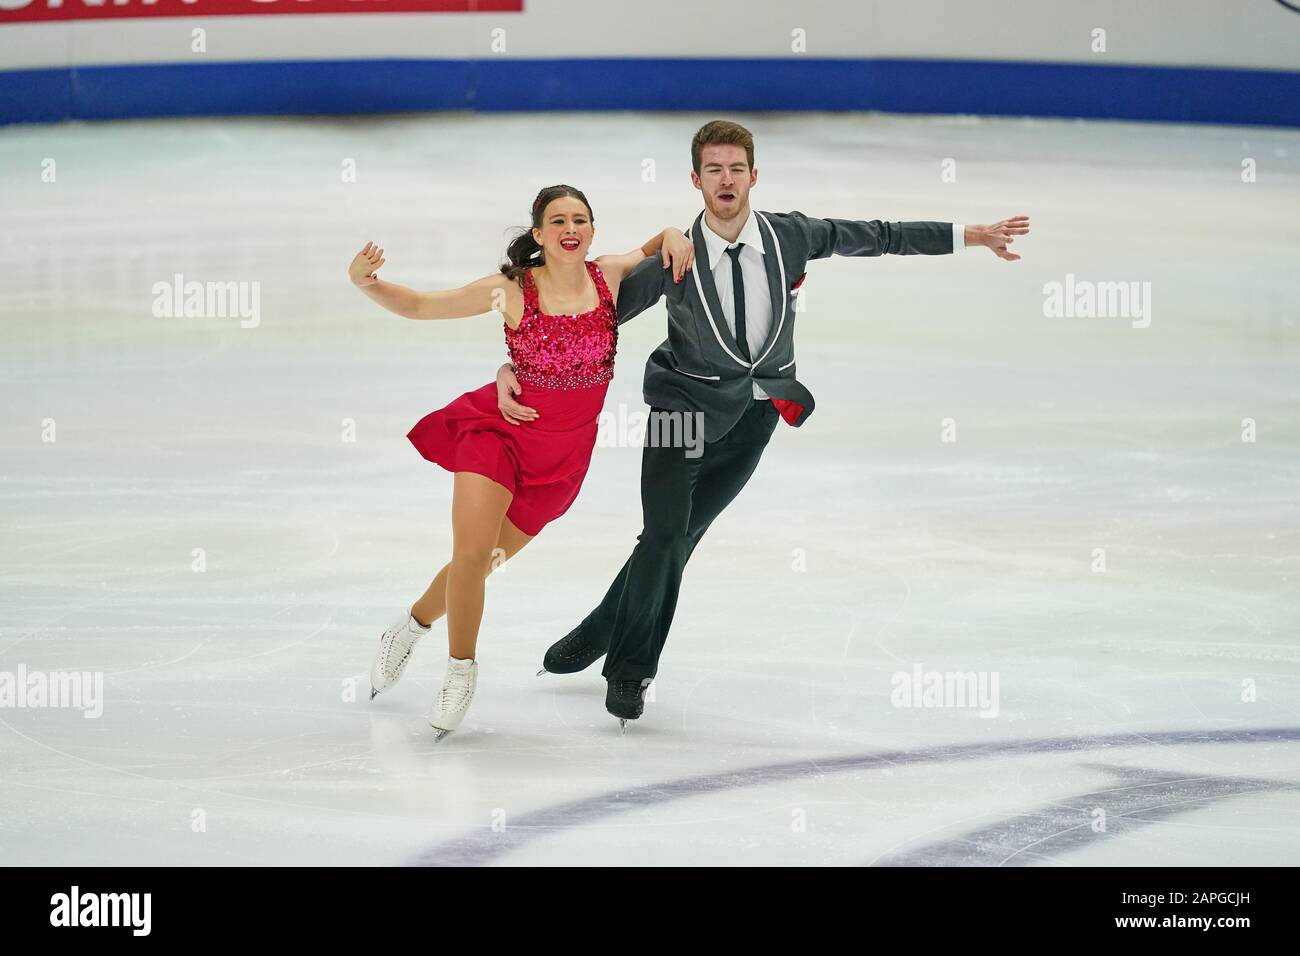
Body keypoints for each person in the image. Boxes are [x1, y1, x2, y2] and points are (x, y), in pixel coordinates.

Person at [496, 120, 1031, 728]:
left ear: (754, 175)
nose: (726, 181)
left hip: (756, 415)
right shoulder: (679, 255)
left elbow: (878, 236)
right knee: (667, 534)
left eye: (737, 169)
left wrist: (970, 235)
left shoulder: (789, 236)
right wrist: (512, 366)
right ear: (695, 181)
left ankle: (598, 628)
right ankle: (628, 671)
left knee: (681, 539)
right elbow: (581, 322)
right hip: (680, 410)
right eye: (714, 170)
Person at [349, 184, 694, 737]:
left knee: (484, 565)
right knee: (471, 553)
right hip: (499, 433)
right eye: (557, 220)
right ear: (539, 235)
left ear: (591, 231)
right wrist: (366, 283)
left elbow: (654, 247)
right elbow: (422, 305)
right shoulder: (511, 290)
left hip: (560, 462)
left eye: (580, 218)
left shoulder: (610, 276)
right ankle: (460, 670)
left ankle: (410, 626)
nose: (569, 227)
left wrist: (674, 232)